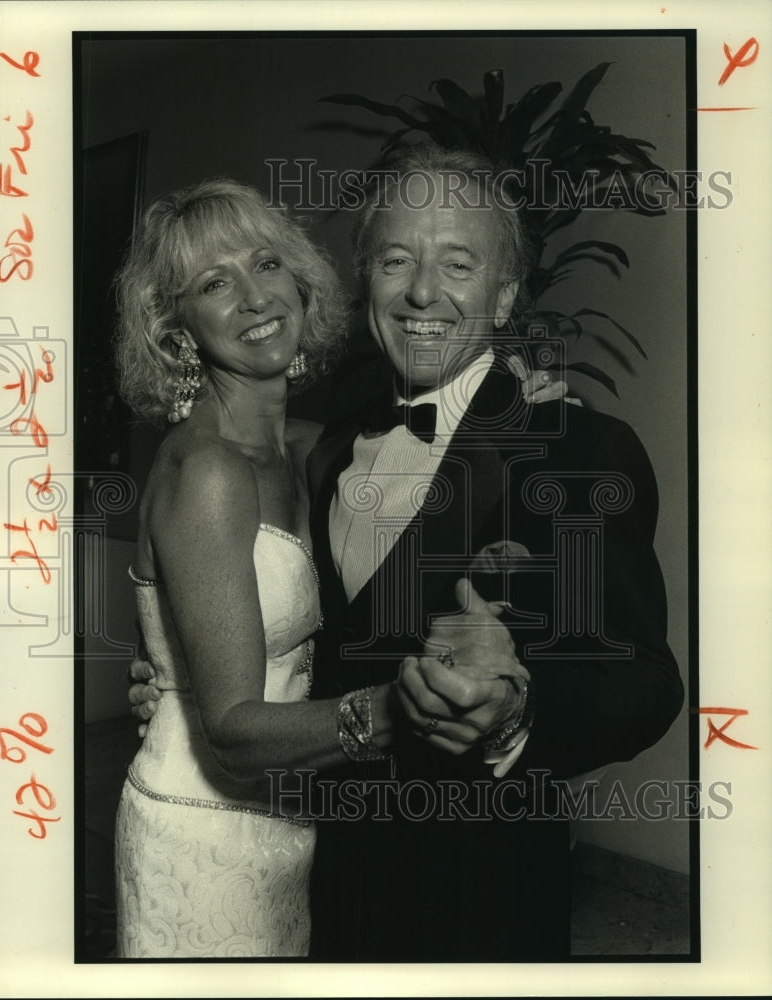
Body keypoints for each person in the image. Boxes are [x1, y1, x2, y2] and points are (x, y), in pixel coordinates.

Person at [130, 148, 684, 962]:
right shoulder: (324, 454)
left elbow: (642, 681)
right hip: (321, 869)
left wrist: (516, 710)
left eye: (457, 263)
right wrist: (170, 676)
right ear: (364, 286)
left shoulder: (573, 450)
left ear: (503, 294)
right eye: (396, 261)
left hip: (475, 894)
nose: (423, 292)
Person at [112, 176, 528, 959]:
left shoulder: (315, 448)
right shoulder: (206, 470)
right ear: (177, 333)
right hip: (203, 828)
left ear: (303, 284)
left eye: (266, 264)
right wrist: (402, 710)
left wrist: (517, 399)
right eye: (212, 283)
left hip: (298, 822)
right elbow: (232, 728)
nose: (251, 298)